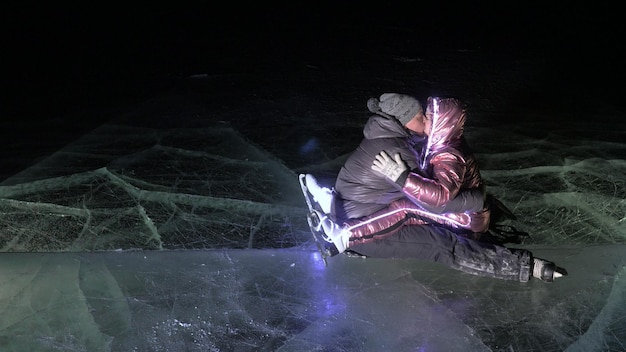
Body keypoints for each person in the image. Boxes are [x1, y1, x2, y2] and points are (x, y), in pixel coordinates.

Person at [303, 93, 566, 282]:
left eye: (429, 117)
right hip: (387, 222)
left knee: (417, 217)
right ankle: (344, 225)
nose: (427, 122)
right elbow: (431, 198)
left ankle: (342, 225)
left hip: (452, 218)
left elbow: (435, 197)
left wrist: (407, 179)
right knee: (423, 227)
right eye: (423, 117)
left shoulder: (428, 148)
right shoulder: (417, 148)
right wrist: (476, 198)